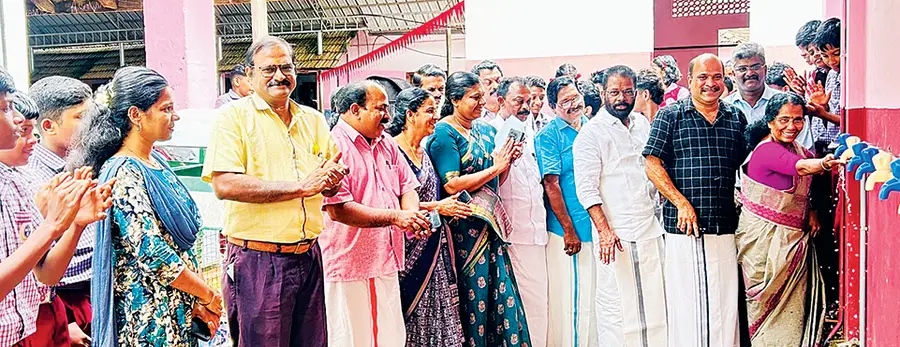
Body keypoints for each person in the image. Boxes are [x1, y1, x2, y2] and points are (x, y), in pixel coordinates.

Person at [204, 36, 345, 347]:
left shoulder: (313, 119)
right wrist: (301, 187)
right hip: (260, 261)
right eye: (269, 69)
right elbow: (224, 184)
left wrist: (332, 179)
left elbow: (327, 181)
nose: (279, 76)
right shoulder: (232, 118)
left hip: (308, 255)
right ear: (249, 74)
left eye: (286, 67)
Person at [67, 67, 221, 347]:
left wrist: (198, 296)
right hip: (151, 316)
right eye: (166, 109)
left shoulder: (155, 162)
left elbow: (180, 246)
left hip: (178, 307)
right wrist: (207, 294)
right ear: (136, 115)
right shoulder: (124, 173)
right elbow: (153, 252)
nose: (175, 116)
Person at [643, 54, 747, 347]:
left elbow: (747, 164)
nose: (710, 83)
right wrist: (681, 203)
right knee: (689, 304)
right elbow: (652, 164)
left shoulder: (735, 117)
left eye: (717, 77)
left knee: (725, 304)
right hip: (685, 228)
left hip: (725, 225)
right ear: (689, 81)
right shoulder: (671, 115)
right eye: (702, 77)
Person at [319, 81, 429, 347]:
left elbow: (407, 187)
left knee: (390, 338)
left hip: (385, 258)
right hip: (348, 263)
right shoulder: (332, 145)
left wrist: (411, 215)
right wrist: (396, 217)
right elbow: (338, 210)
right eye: (380, 109)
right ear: (355, 110)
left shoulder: (386, 142)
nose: (388, 116)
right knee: (350, 339)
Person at [426, 71, 531, 347]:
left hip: (490, 228)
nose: (482, 102)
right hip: (463, 233)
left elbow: (496, 181)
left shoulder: (487, 130)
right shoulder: (444, 133)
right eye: (474, 97)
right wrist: (496, 167)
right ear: (455, 100)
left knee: (500, 297)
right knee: (472, 299)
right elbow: (452, 184)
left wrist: (506, 163)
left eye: (482, 96)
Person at [0, 91, 110, 347]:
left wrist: (76, 224)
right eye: (6, 109)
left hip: (31, 320)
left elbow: (46, 275)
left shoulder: (18, 183)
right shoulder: (29, 181)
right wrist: (50, 225)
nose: (31, 139)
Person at [574, 65, 668, 347]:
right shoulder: (591, 134)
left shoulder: (642, 124)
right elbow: (586, 189)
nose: (621, 98)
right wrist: (604, 231)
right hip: (615, 236)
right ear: (603, 92)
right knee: (617, 307)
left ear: (636, 92)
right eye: (614, 92)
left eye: (628, 92)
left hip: (649, 229)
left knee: (655, 303)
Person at [737, 92, 839, 346]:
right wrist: (827, 163)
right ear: (770, 121)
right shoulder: (767, 151)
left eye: (798, 119)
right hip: (764, 243)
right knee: (763, 306)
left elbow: (807, 180)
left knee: (792, 308)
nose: (791, 126)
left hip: (791, 242)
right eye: (784, 120)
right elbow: (801, 167)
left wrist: (812, 210)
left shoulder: (797, 149)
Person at [386, 87, 471, 347]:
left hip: (435, 244)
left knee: (441, 312)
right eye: (429, 111)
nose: (436, 116)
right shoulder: (392, 151)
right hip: (408, 248)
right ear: (410, 115)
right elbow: (391, 204)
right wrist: (438, 207)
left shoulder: (424, 151)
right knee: (413, 313)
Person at [27, 76, 95, 346]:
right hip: (62, 300)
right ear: (48, 126)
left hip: (95, 290)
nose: (90, 124)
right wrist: (66, 320)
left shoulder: (88, 164)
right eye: (80, 117)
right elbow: (35, 261)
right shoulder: (33, 178)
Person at [535, 76, 598, 346]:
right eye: (565, 101)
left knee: (594, 297)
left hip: (596, 227)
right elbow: (552, 184)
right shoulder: (548, 136)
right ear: (553, 107)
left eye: (575, 97)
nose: (573, 104)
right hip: (568, 232)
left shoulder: (591, 127)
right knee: (573, 300)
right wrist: (569, 230)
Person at [488, 77, 550, 347]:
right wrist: (506, 161)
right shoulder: (490, 133)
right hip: (512, 233)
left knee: (539, 301)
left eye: (529, 101)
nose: (526, 107)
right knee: (520, 304)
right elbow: (493, 182)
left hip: (536, 231)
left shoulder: (530, 131)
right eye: (518, 101)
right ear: (501, 101)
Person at [725, 42, 814, 150]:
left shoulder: (789, 104)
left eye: (755, 67)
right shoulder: (725, 107)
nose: (750, 73)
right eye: (742, 69)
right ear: (733, 74)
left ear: (765, 70)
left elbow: (805, 149)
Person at [807, 18, 842, 150]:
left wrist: (823, 114)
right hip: (832, 143)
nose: (831, 61)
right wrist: (823, 108)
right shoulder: (831, 75)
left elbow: (848, 120)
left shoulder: (851, 76)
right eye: (825, 56)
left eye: (836, 54)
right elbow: (832, 115)